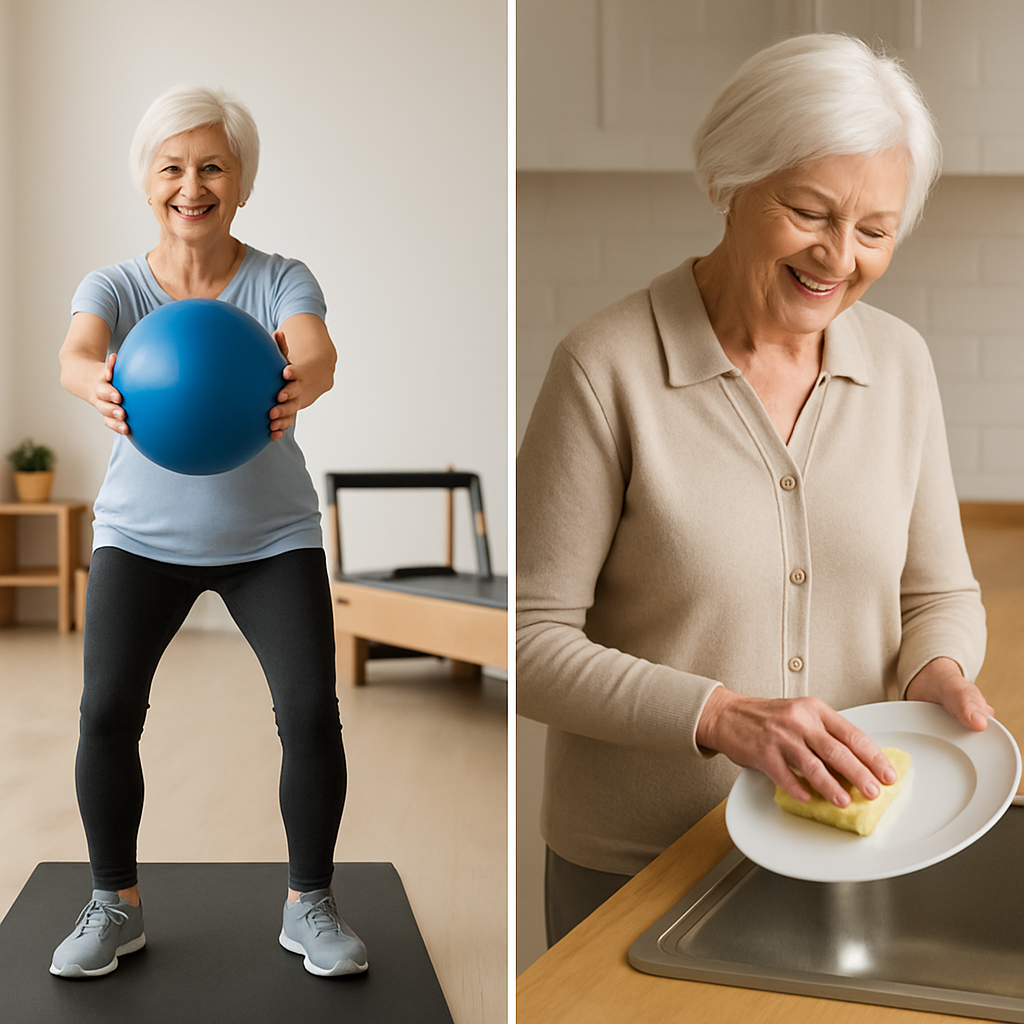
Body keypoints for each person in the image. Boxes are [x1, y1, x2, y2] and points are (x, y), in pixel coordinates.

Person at [517, 33, 991, 946]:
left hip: (852, 846)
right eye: (809, 211)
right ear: (731, 182)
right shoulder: (604, 368)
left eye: (875, 229)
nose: (839, 256)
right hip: (638, 865)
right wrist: (721, 717)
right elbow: (531, 643)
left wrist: (938, 669)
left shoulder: (901, 365)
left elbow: (938, 591)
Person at [50, 86, 367, 979]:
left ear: (241, 182)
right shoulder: (114, 285)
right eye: (173, 168)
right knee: (106, 713)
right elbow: (75, 352)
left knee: (309, 713)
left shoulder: (279, 276)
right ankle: (115, 902)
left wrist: (298, 376)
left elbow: (318, 351)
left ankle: (311, 904)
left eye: (213, 167)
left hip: (271, 537)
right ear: (148, 183)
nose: (193, 185)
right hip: (139, 537)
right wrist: (96, 382)